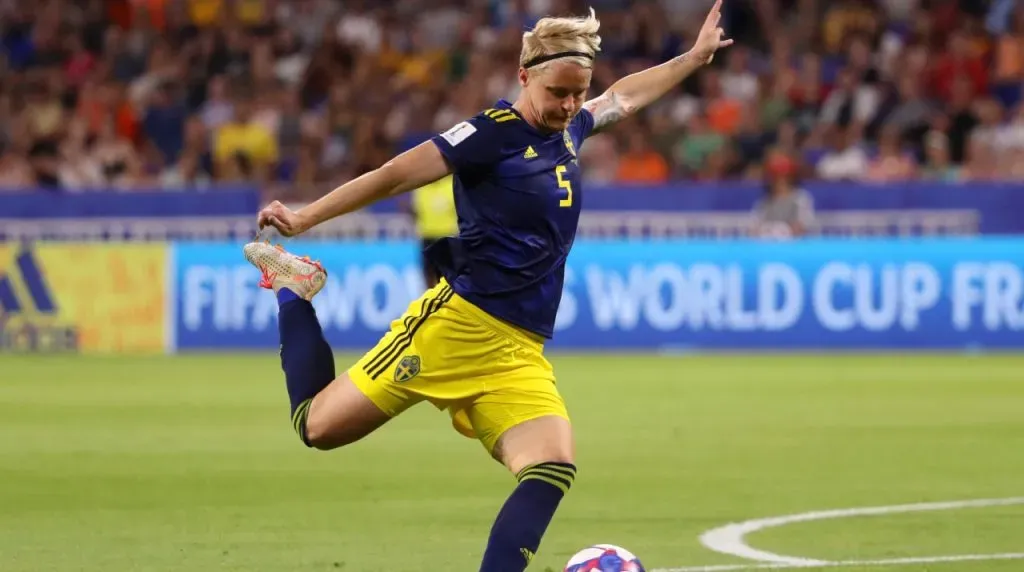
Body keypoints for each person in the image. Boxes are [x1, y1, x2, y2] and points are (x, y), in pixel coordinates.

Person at [244, 3, 731, 570]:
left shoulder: (569, 128)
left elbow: (624, 96)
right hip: (455, 328)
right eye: (559, 93)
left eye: (579, 93)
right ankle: (292, 289)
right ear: (525, 76)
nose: (571, 105)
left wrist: (694, 59)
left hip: (519, 350)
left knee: (551, 466)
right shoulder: (487, 134)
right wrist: (304, 219)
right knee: (318, 428)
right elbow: (393, 175)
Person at [410, 174, 458, 288]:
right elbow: (415, 211)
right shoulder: (421, 187)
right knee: (428, 272)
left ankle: (449, 299)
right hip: (427, 235)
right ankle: (431, 298)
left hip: (447, 236)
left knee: (448, 274)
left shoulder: (451, 183)